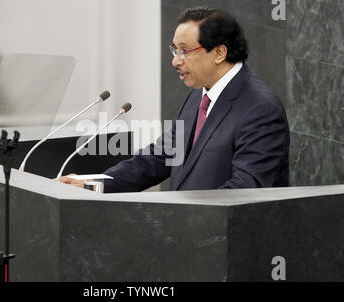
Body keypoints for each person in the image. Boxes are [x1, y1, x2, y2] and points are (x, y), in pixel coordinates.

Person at [60, 7, 290, 192]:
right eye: (174, 50)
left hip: (222, 242)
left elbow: (247, 191)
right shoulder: (198, 96)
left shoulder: (259, 109)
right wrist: (92, 183)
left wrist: (186, 222)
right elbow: (158, 158)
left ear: (219, 53)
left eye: (184, 51)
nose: (175, 61)